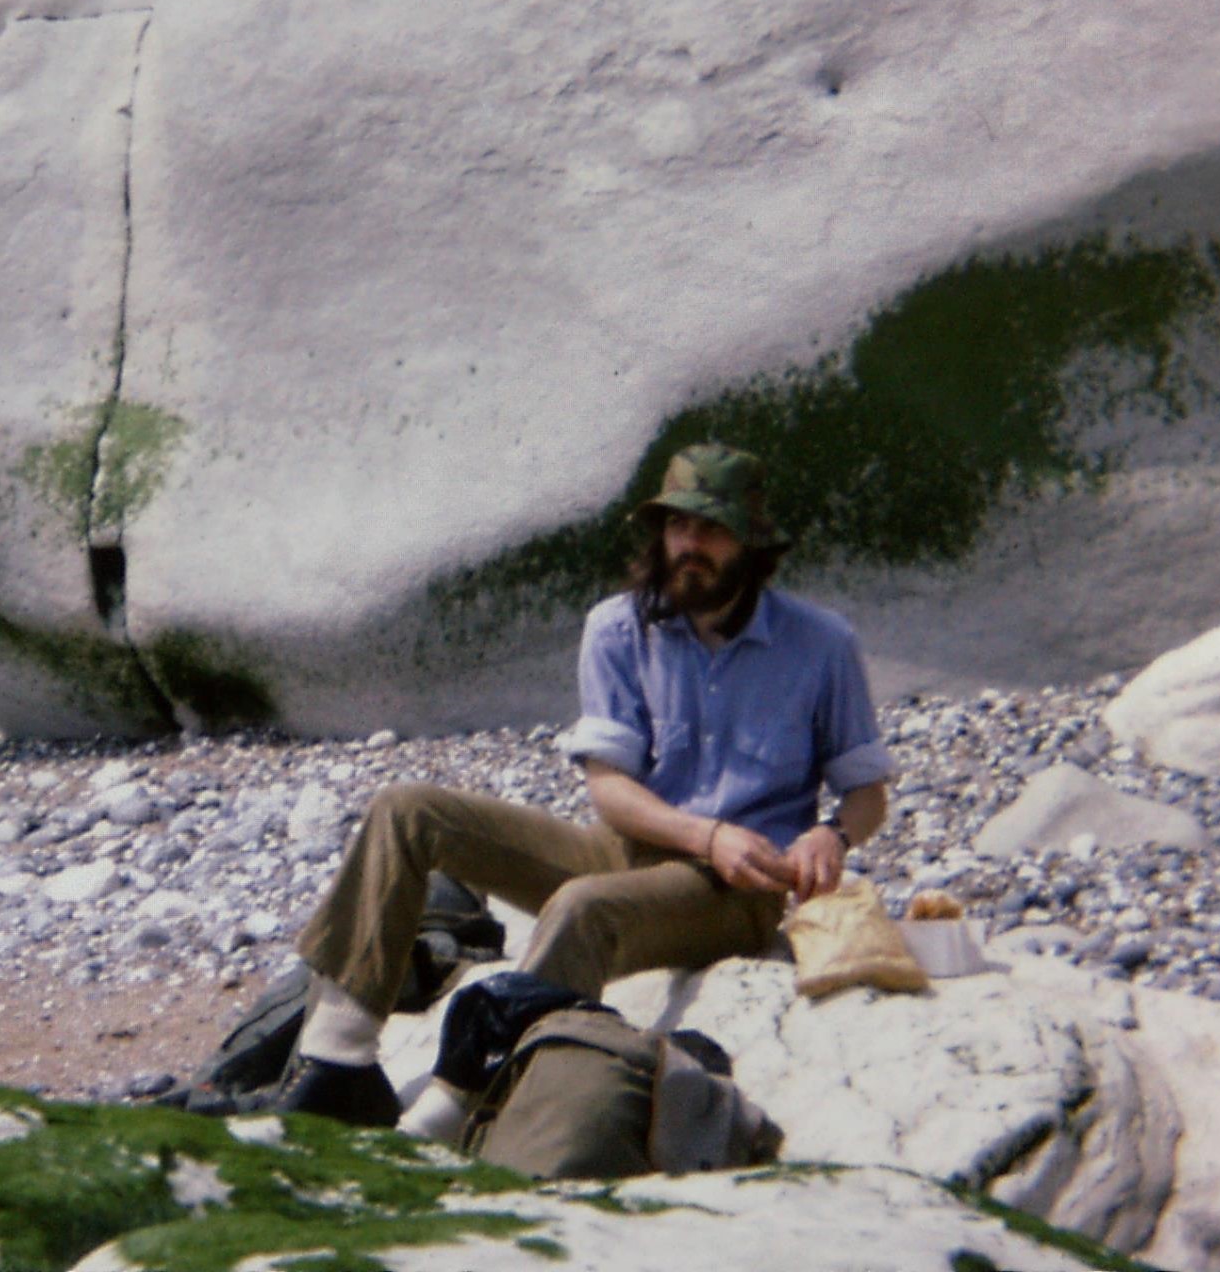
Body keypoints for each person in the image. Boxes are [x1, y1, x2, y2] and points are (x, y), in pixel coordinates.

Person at [278, 443, 893, 1133]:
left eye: (710, 529)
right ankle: (339, 1061)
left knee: (581, 909)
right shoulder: (616, 628)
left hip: (737, 893)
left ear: (751, 541)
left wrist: (830, 835)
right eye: (676, 526)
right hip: (624, 852)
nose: (689, 544)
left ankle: (455, 1114)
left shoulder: (821, 644)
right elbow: (609, 790)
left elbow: (867, 793)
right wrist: (705, 834)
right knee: (407, 811)